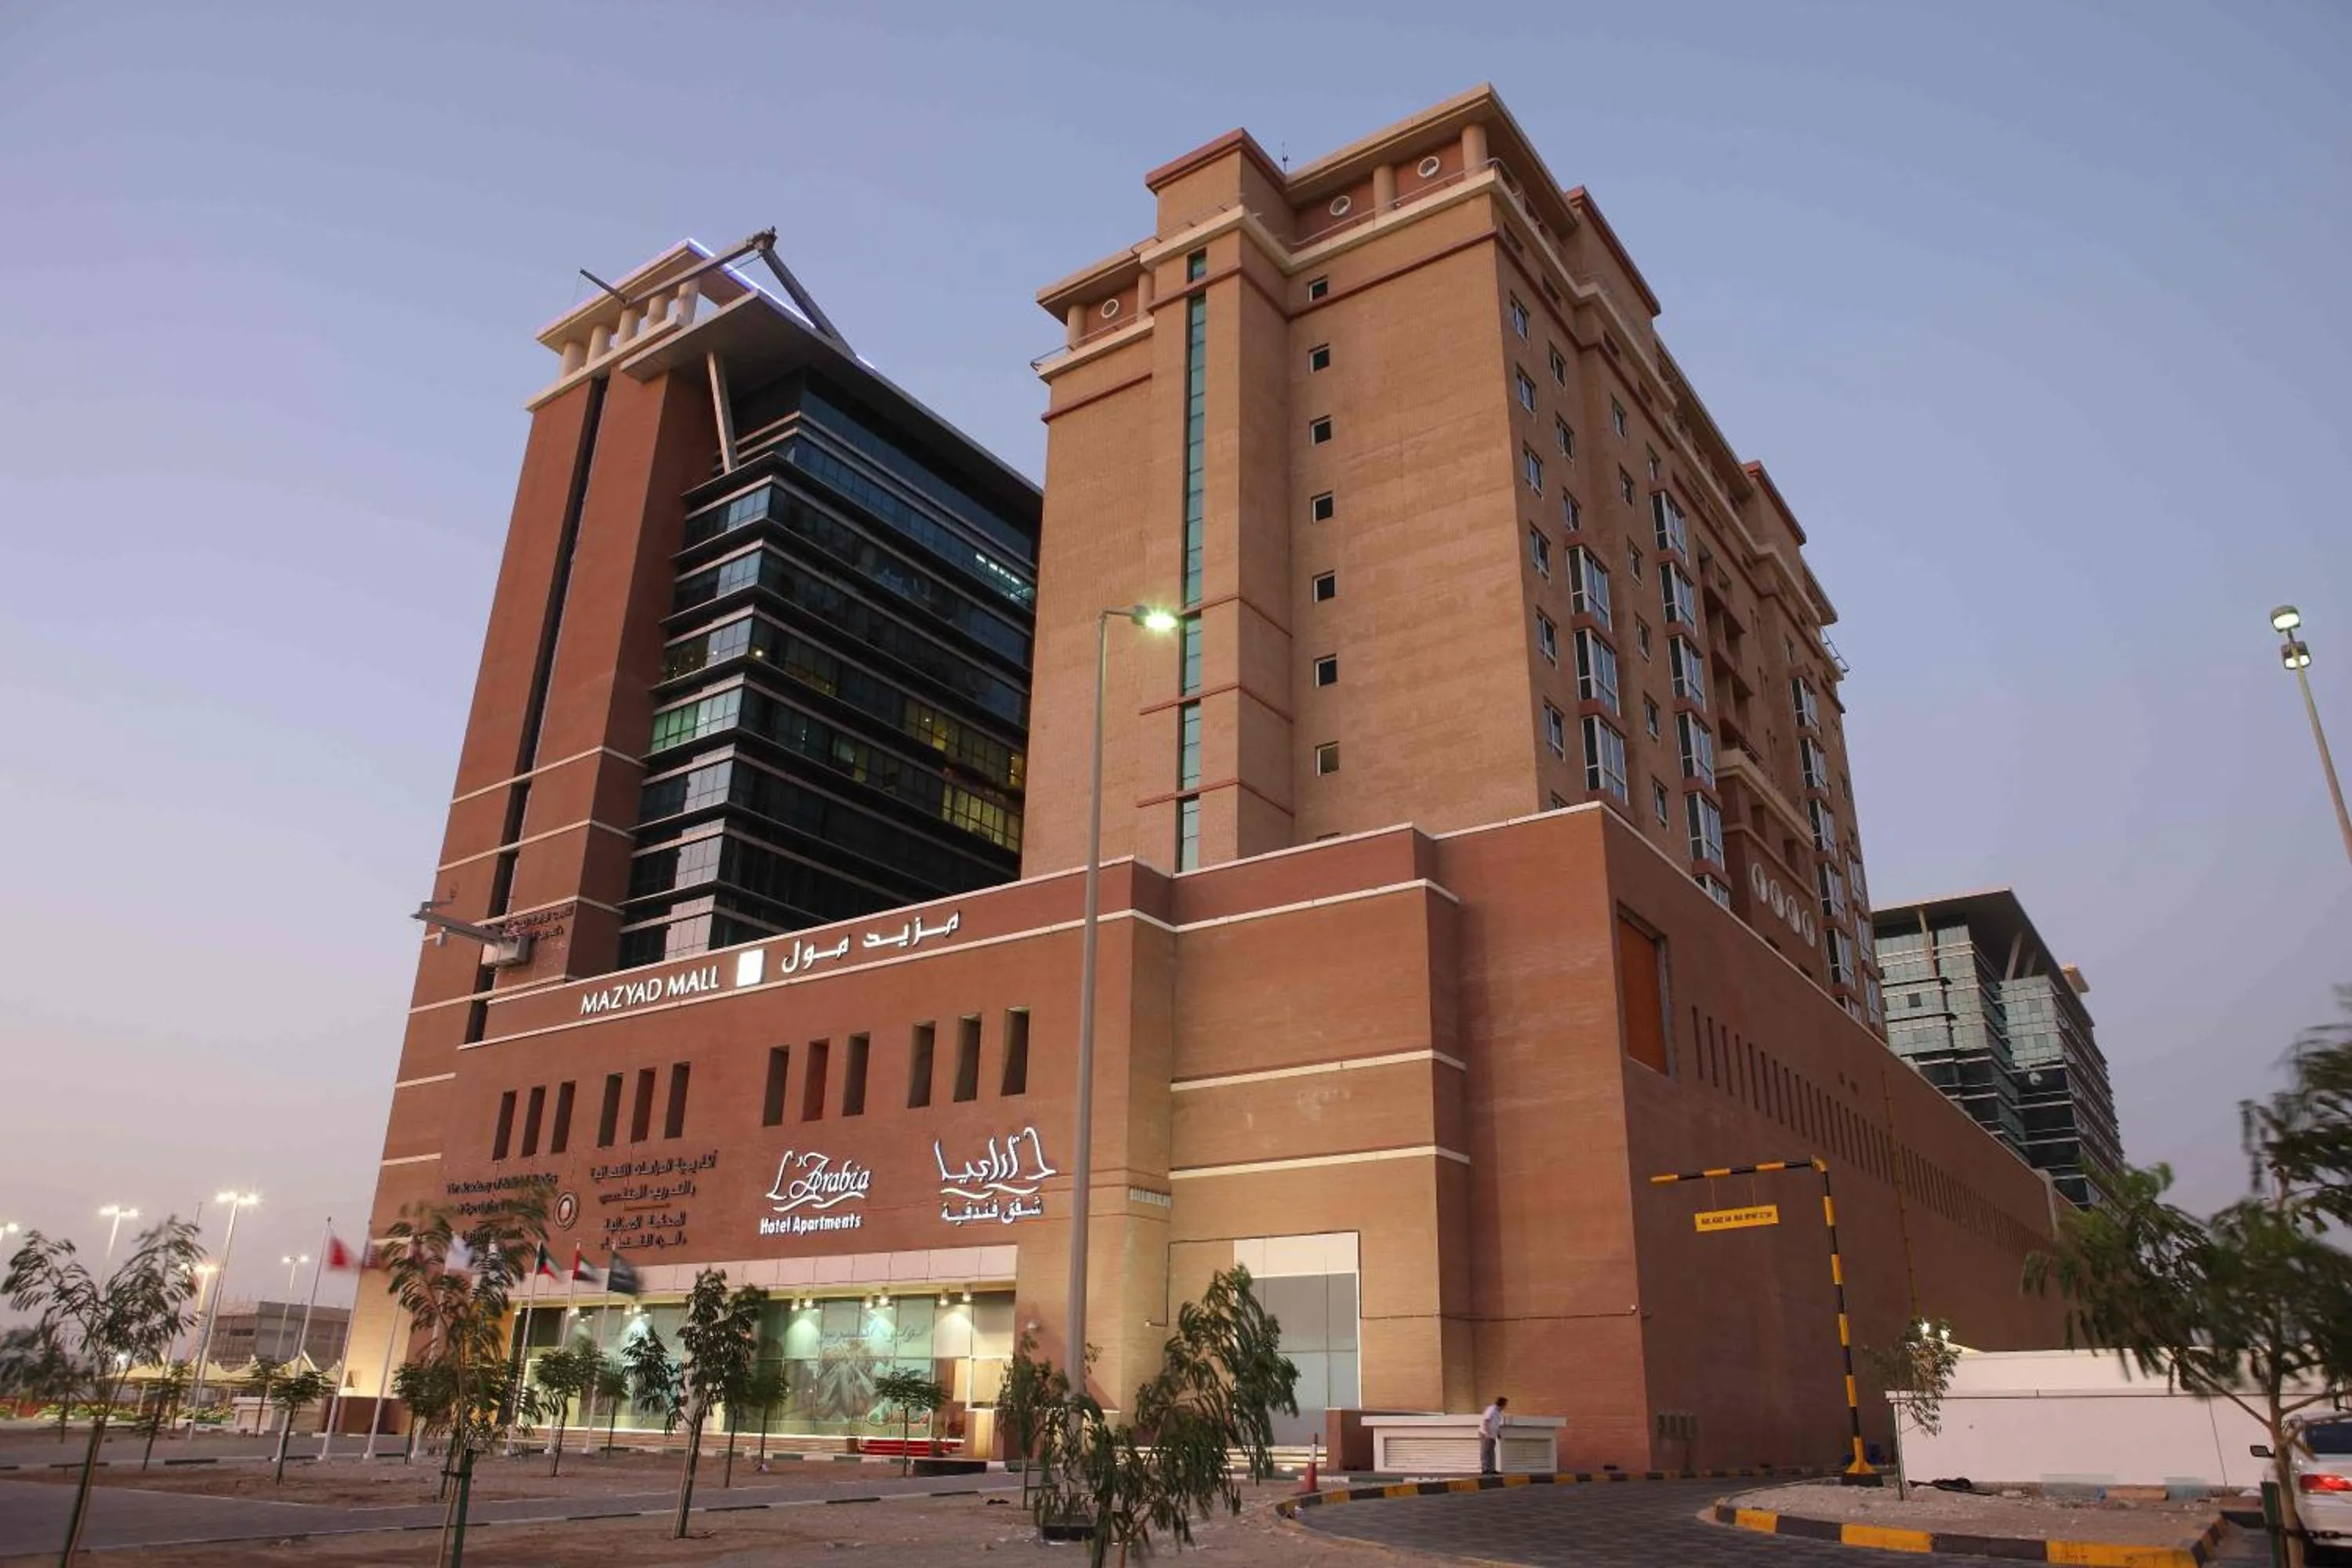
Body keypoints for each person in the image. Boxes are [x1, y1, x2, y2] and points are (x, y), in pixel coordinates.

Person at [1479, 1395, 1508, 1475]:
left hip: (1493, 1434)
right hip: (1485, 1433)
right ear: (1501, 1404)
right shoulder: (1491, 1409)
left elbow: (1497, 1424)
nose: (1505, 1407)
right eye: (1504, 1405)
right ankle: (1485, 1469)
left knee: (1491, 1451)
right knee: (1485, 1451)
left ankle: (1492, 1468)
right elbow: (1486, 1421)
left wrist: (1498, 1433)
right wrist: (1488, 1432)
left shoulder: (1500, 1412)